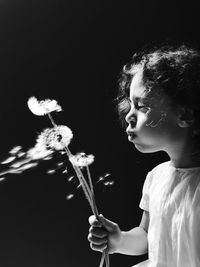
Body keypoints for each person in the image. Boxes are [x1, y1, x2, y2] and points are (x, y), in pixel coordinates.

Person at [87, 42, 200, 267]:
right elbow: (148, 237)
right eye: (130, 105)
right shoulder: (156, 177)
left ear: (185, 113)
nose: (129, 115)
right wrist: (119, 240)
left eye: (141, 106)